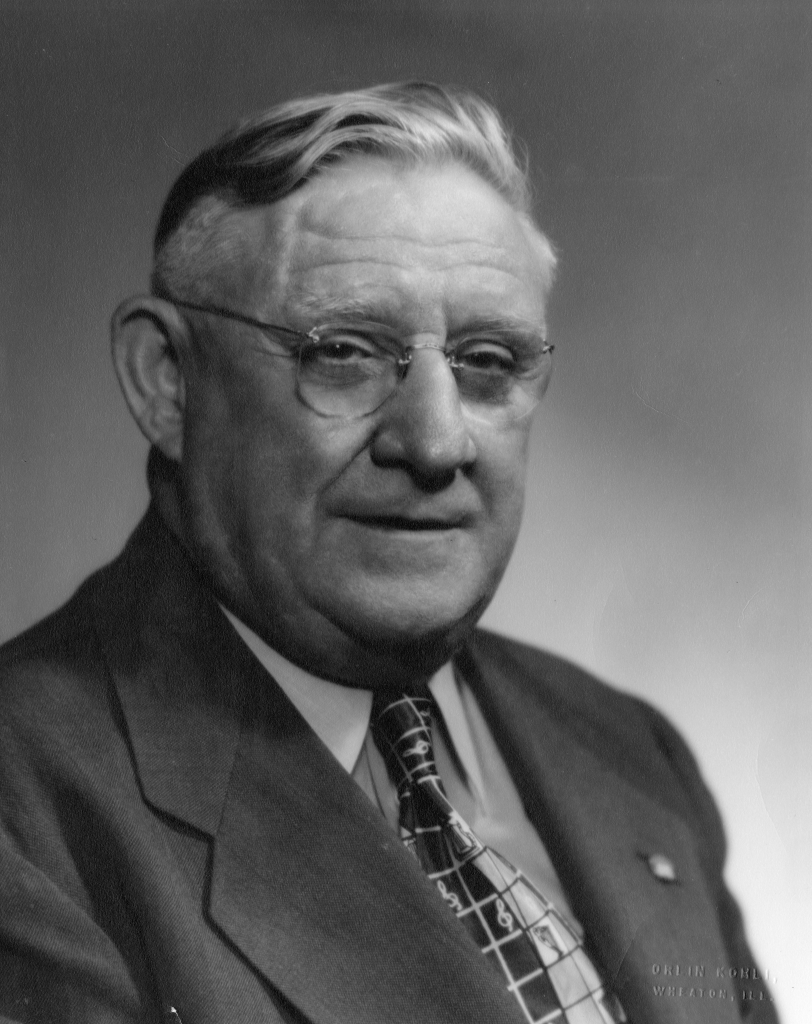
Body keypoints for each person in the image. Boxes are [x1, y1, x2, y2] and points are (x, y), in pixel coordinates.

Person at [0, 82, 776, 1024]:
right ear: (168, 381)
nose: (437, 441)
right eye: (344, 352)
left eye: (489, 361)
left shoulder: (633, 753)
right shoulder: (25, 814)